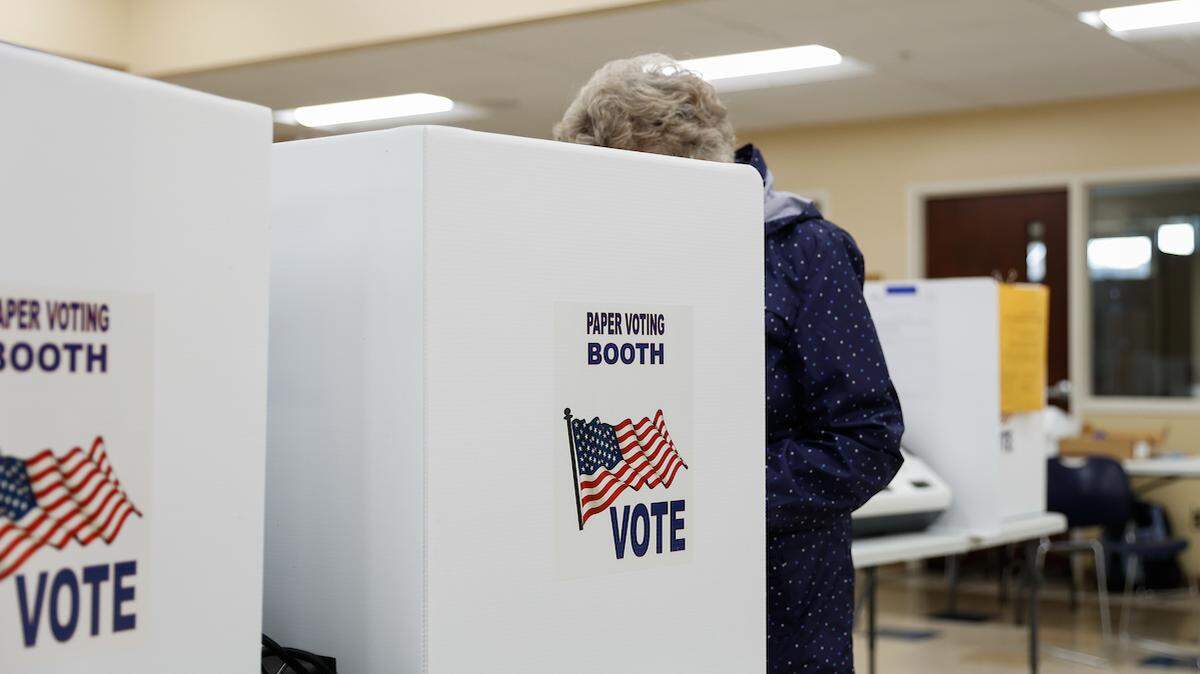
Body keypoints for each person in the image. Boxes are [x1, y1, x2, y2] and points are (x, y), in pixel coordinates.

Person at [554, 54, 905, 673]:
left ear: (698, 169)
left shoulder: (804, 251)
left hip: (780, 598)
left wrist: (706, 493)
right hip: (639, 589)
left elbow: (866, 440)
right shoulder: (614, 248)